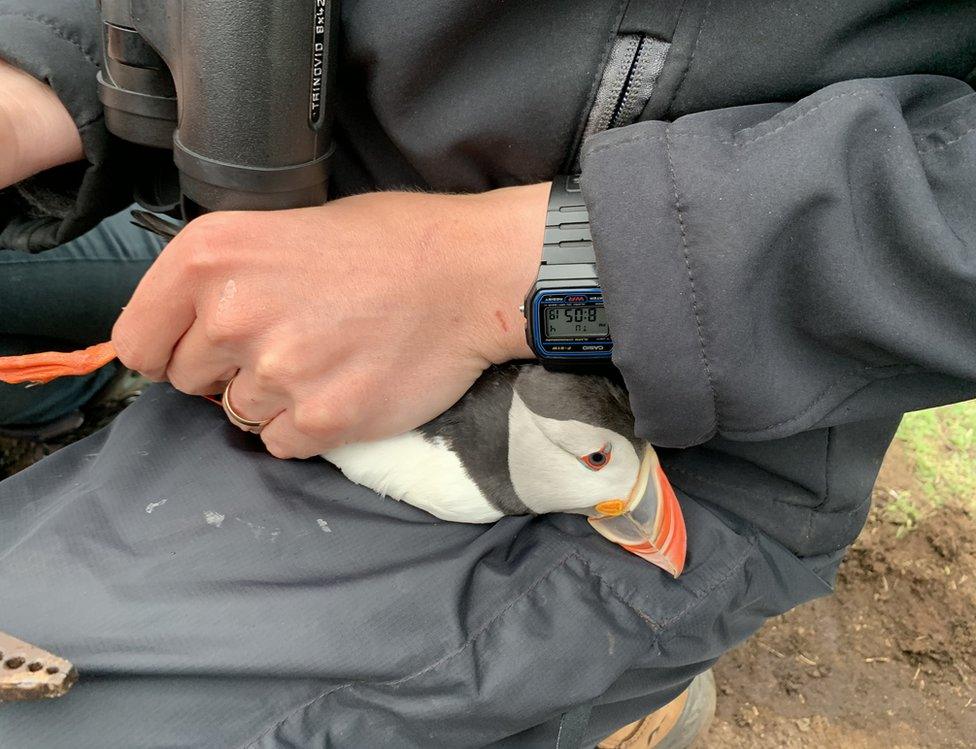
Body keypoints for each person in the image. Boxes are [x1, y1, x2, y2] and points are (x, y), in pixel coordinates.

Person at [1, 2, 975, 746]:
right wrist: (57, 64)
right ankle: (77, 380)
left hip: (699, 410)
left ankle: (613, 692)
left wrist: (502, 270)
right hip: (272, 240)